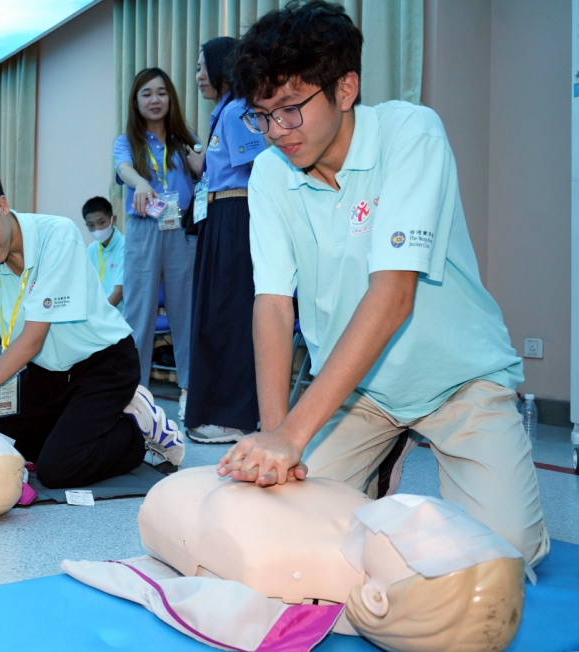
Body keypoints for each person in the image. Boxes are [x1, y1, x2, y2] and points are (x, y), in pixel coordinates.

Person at [217, 0, 548, 566]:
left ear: (345, 89)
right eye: (262, 114)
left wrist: (296, 434)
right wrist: (279, 437)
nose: (276, 131)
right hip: (357, 393)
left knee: (505, 555)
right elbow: (273, 304)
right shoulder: (272, 172)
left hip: (457, 379)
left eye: (291, 108)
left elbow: (394, 296)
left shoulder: (410, 133)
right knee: (279, 530)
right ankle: (374, 464)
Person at [0, 160, 184, 489]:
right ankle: (71, 425)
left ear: (2, 205)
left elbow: (31, 341)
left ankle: (133, 429)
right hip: (47, 375)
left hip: (104, 366)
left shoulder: (57, 237)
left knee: (57, 470)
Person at [185, 37, 269, 444]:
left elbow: (263, 161)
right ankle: (219, 411)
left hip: (236, 215)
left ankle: (234, 418)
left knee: (230, 314)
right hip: (219, 214)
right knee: (216, 312)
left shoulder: (238, 111)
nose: (199, 76)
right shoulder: (225, 113)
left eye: (203, 67)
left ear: (222, 67)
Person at [114, 68, 200, 423]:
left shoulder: (184, 137)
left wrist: (199, 153)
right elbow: (123, 170)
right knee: (138, 314)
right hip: (143, 230)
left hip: (180, 229)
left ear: (171, 98)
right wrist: (141, 184)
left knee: (186, 313)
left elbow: (202, 167)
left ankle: (191, 393)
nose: (155, 100)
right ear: (136, 102)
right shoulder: (126, 141)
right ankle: (133, 395)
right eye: (146, 93)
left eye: (161, 92)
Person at [82, 197, 124, 311]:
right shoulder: (91, 249)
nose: (97, 229)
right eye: (91, 225)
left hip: (118, 314)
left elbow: (119, 291)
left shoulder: (125, 247)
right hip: (97, 312)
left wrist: (100, 315)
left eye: (101, 222)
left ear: (113, 219)